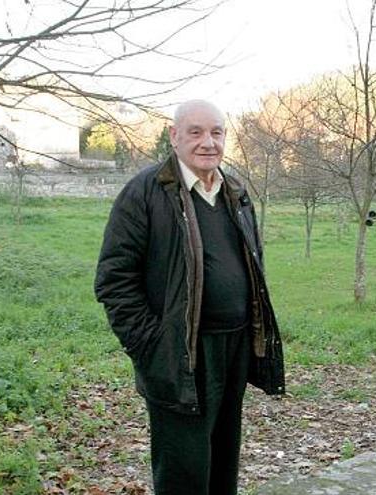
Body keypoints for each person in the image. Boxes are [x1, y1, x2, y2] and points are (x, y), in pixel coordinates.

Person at [94, 100, 285, 495]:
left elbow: (252, 264)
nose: (208, 142)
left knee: (222, 462)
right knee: (184, 469)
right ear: (174, 135)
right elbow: (114, 280)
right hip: (181, 354)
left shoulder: (234, 191)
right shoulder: (146, 193)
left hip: (234, 348)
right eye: (196, 132)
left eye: (216, 132)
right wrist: (151, 346)